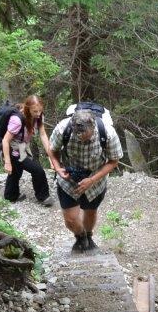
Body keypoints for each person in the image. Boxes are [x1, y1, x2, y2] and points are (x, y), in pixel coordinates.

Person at [48, 107, 123, 252]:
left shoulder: (107, 133)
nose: (81, 138)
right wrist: (57, 167)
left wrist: (92, 180)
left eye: (85, 136)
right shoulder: (62, 129)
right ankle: (80, 237)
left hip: (96, 178)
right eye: (78, 136)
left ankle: (88, 236)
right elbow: (52, 150)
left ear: (93, 126)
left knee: (90, 211)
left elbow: (114, 161)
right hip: (68, 178)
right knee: (70, 219)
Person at [1, 95, 53, 206]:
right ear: (27, 109)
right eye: (35, 111)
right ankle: (43, 197)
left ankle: (11, 195)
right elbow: (5, 140)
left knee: (16, 170)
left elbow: (43, 135)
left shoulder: (39, 117)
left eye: (40, 111)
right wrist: (7, 162)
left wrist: (51, 156)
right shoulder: (17, 120)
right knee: (37, 170)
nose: (38, 113)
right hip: (13, 147)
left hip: (22, 145)